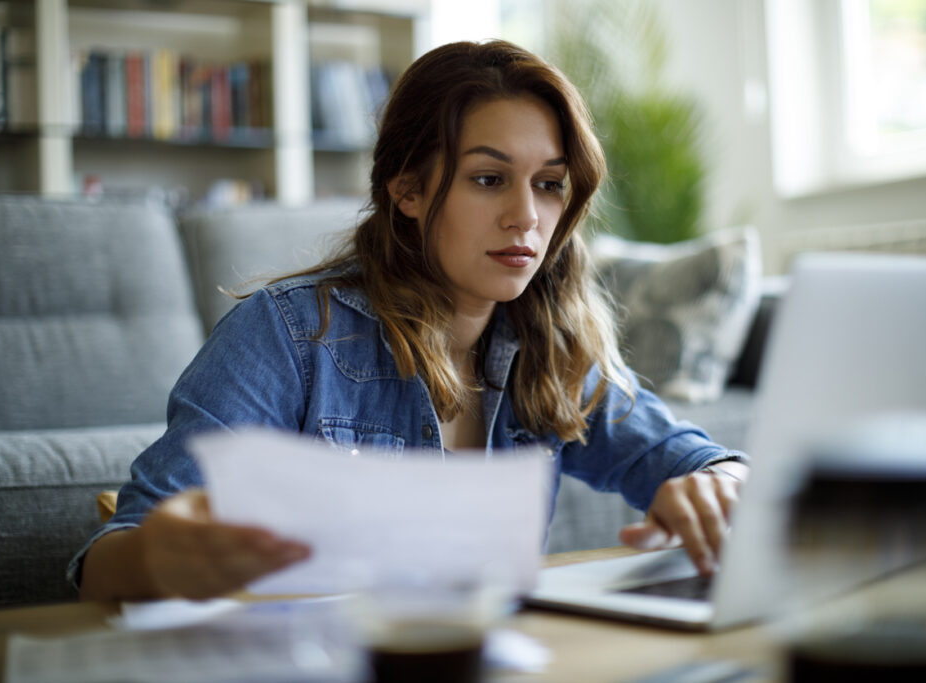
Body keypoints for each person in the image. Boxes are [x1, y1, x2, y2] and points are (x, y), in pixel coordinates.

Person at [73, 40, 749, 602]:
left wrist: (715, 484)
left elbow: (710, 462)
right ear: (409, 191)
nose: (527, 217)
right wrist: (160, 558)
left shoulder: (550, 347)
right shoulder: (285, 334)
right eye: (489, 179)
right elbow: (108, 559)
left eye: (548, 183)